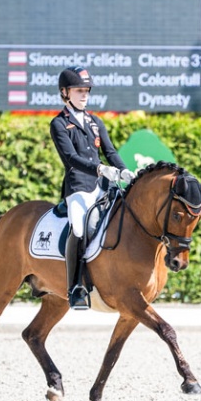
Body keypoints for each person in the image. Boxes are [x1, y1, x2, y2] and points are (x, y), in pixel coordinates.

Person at [50, 66, 134, 309]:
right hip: (78, 188)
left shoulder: (95, 121)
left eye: (86, 90)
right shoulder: (59, 124)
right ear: (65, 93)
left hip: (102, 187)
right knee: (78, 229)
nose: (84, 94)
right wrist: (99, 169)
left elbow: (109, 151)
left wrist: (125, 171)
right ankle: (75, 287)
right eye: (79, 90)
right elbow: (70, 158)